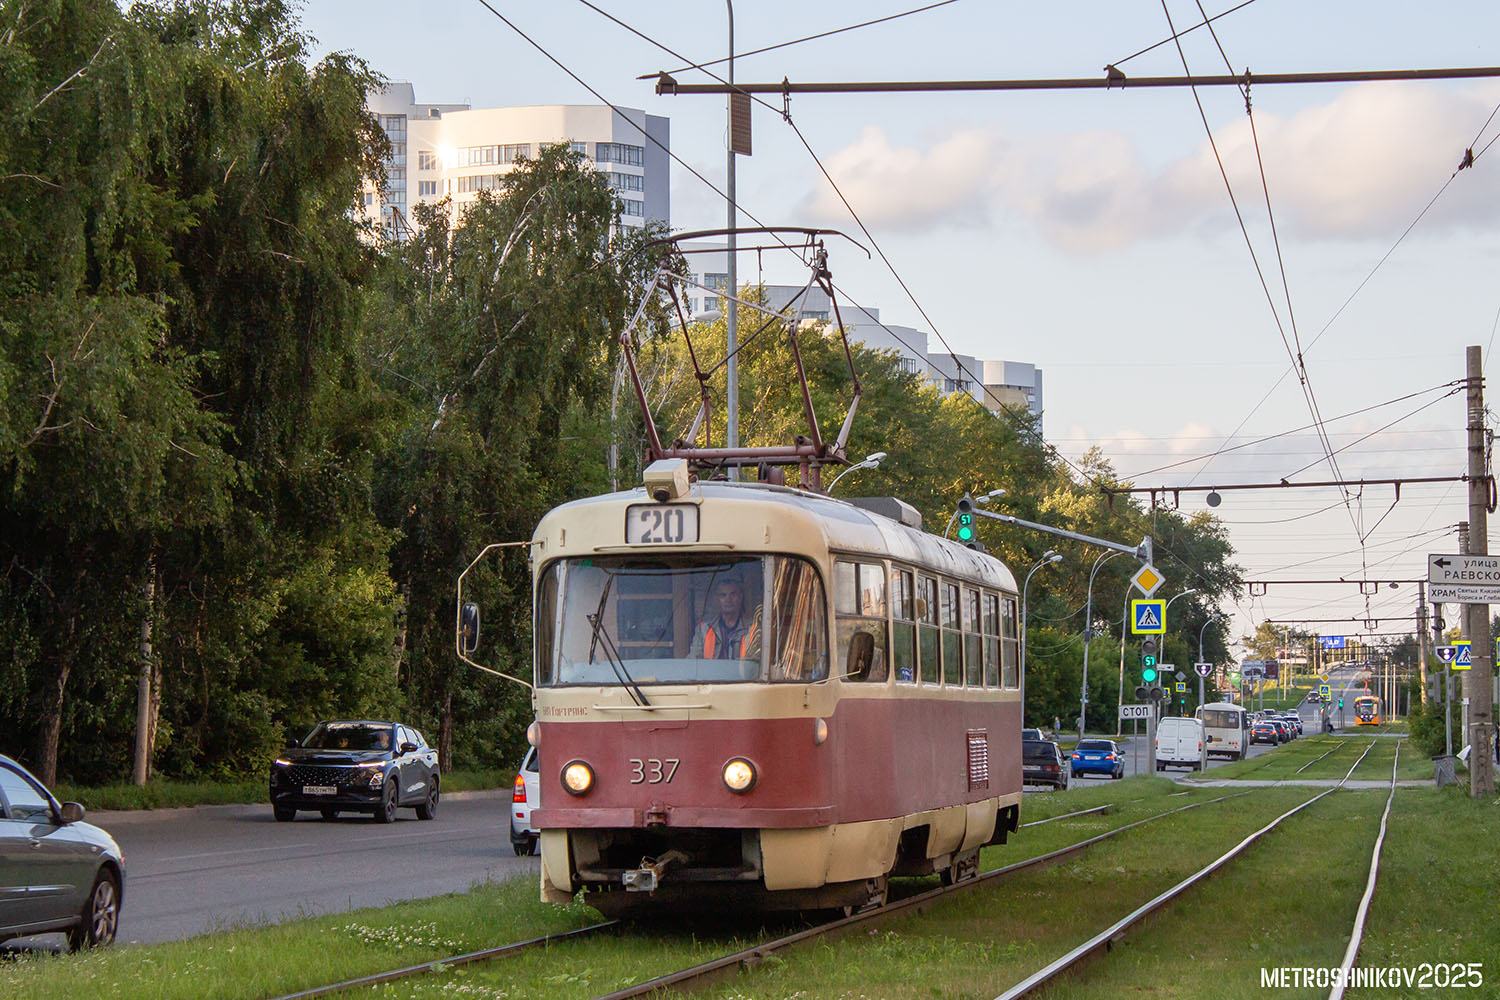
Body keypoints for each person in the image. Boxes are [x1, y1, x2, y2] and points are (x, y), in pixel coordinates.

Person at [690, 578, 760, 659]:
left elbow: (755, 663)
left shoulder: (753, 629)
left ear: (740, 597)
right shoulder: (703, 629)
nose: (728, 600)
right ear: (716, 599)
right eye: (723, 595)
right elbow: (693, 661)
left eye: (733, 594)